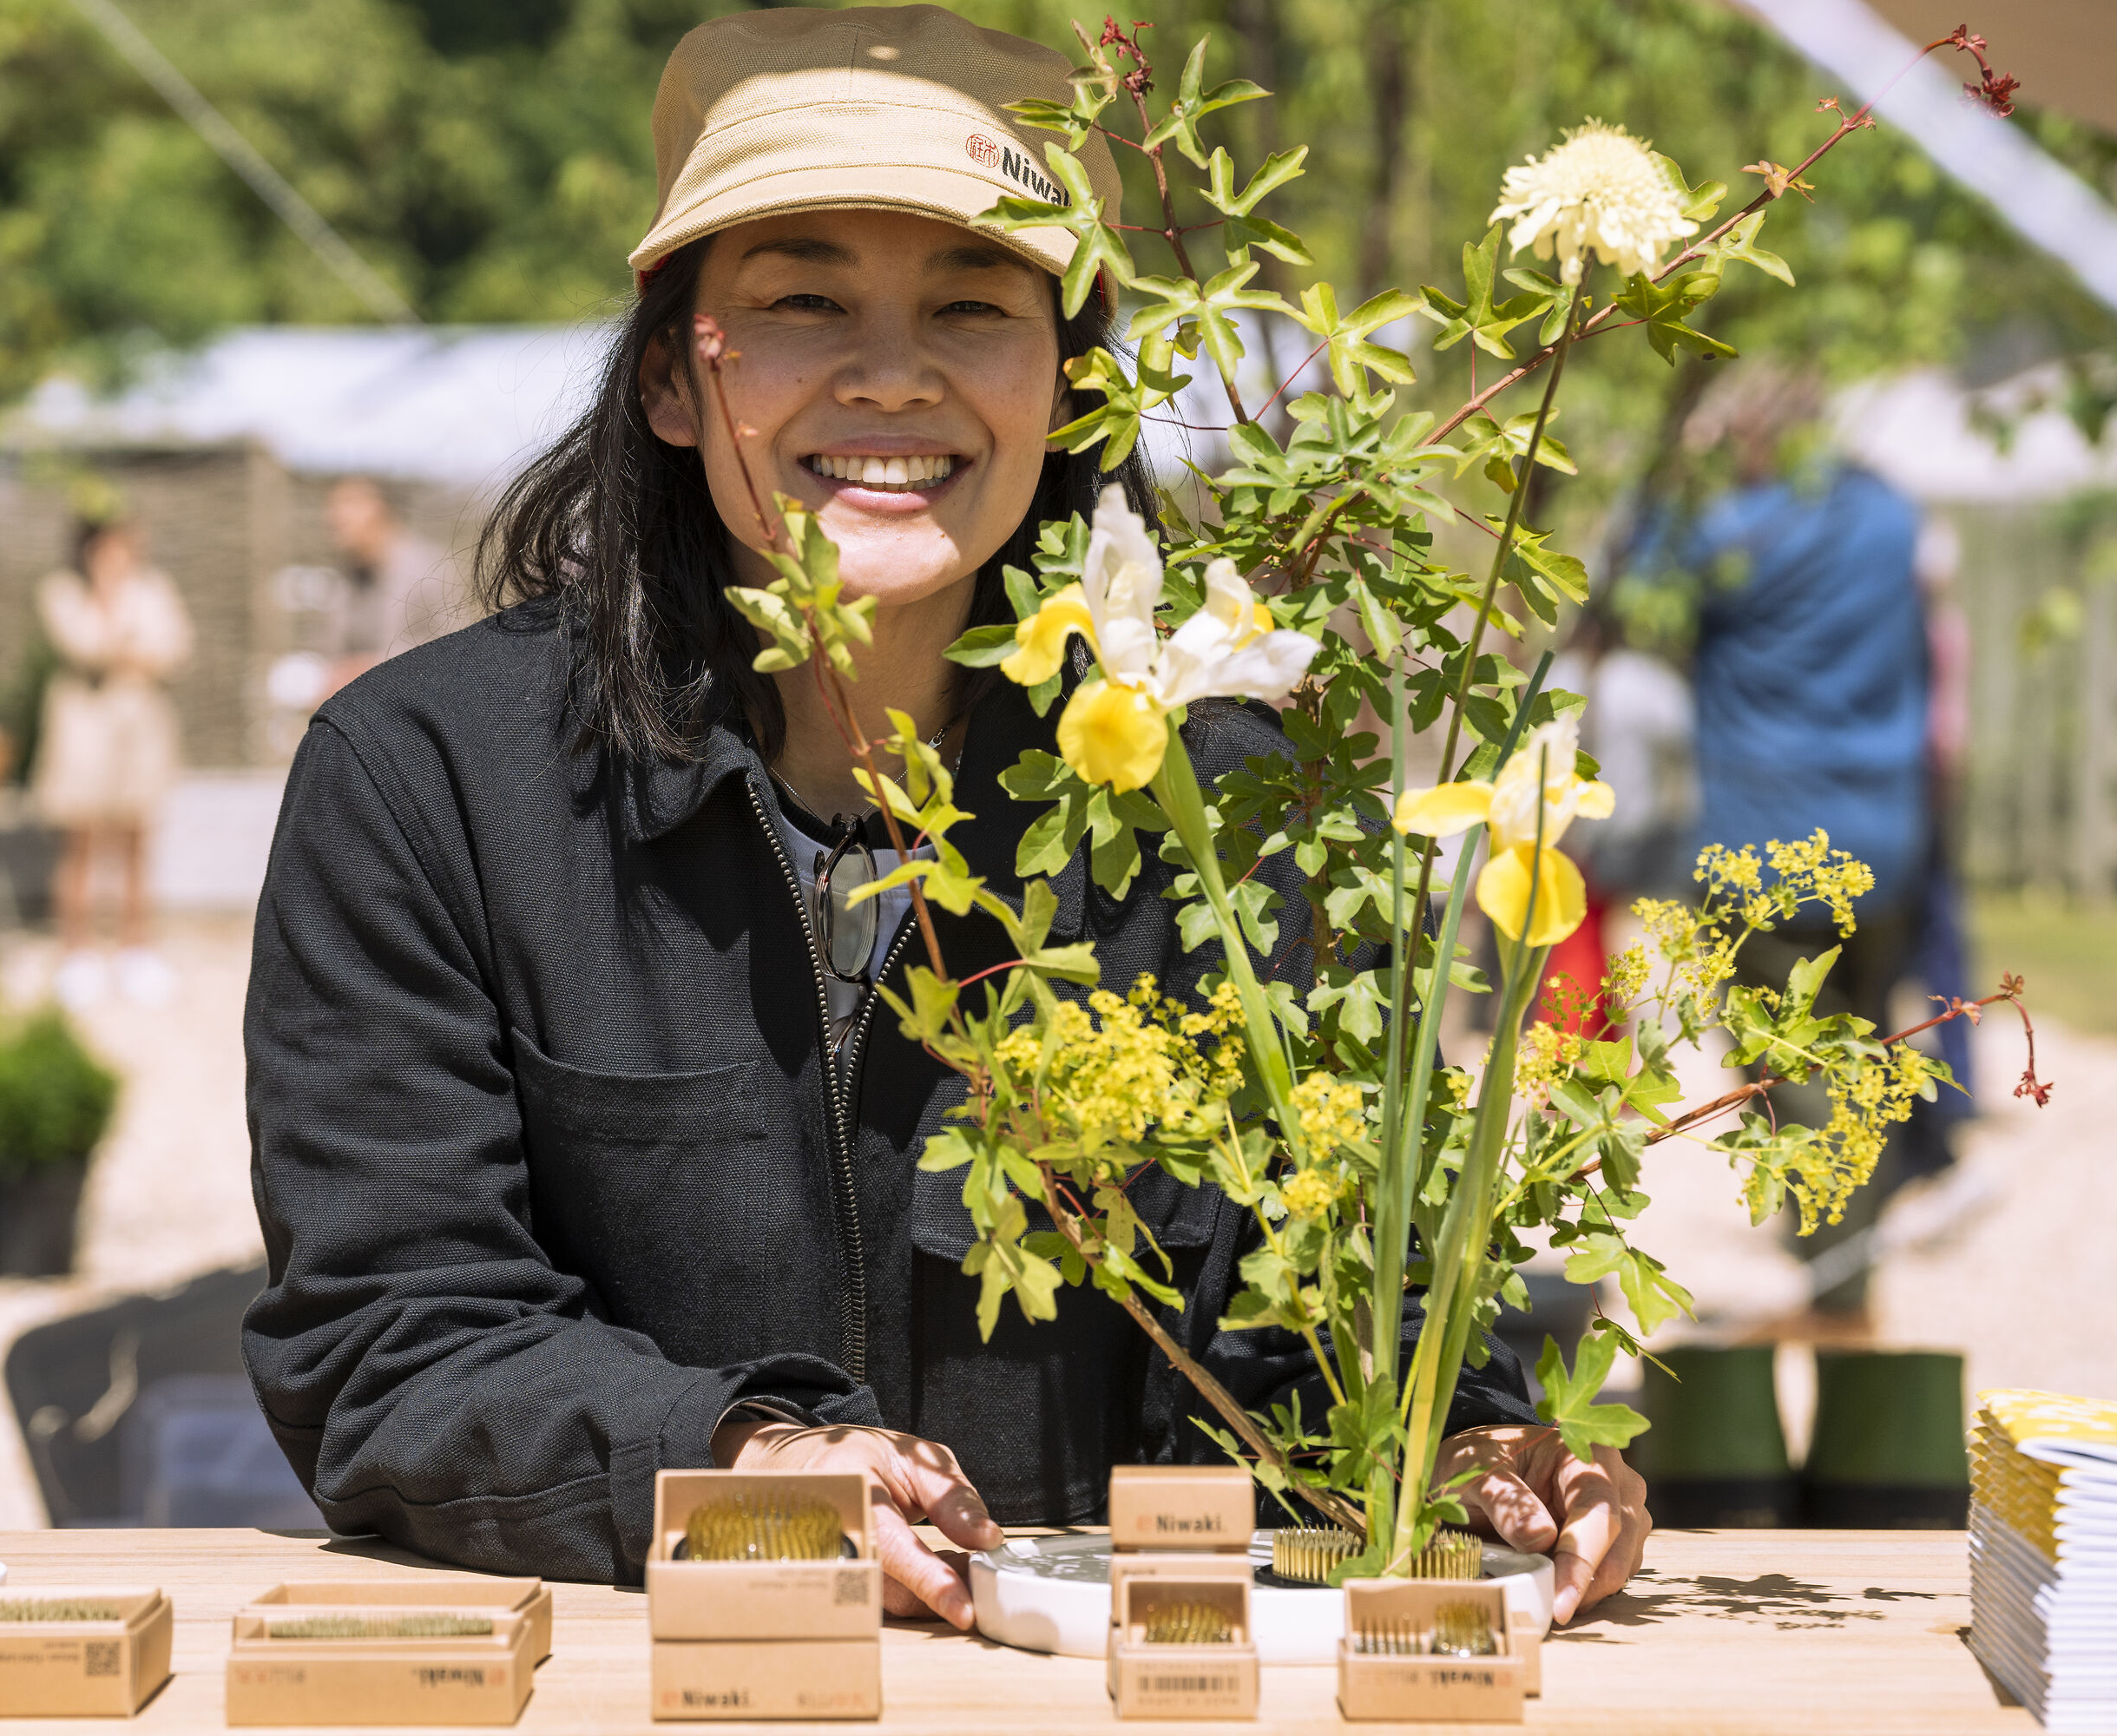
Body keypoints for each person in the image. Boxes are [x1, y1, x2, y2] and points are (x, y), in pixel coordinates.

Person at [241, 3, 1648, 1631]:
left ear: (1072, 388)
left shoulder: (1235, 799)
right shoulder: (427, 781)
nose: (894, 374)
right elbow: (389, 1340)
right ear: (674, 384)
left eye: (972, 306)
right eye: (803, 300)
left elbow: (1327, 1310)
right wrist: (742, 1465)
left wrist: (1467, 1436)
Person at [1680, 366, 1953, 1316]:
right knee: (1866, 1052)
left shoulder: (1730, 535)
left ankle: (1843, 1284)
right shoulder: (1889, 518)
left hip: (1767, 848)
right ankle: (1855, 1268)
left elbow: (1628, 591)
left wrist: (1686, 467)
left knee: (1792, 1070)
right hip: (1885, 840)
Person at [32, 516, 193, 1008]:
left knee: (137, 839)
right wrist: (122, 632)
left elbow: (175, 648)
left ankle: (135, 948)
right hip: (83, 729)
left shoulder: (154, 587)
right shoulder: (62, 590)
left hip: (140, 728)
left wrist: (128, 649)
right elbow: (84, 645)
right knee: (80, 840)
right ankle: (77, 951)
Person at [319, 477, 453, 698]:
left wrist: (372, 665)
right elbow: (333, 651)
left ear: (379, 510)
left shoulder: (430, 571)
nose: (333, 517)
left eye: (348, 504)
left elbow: (453, 653)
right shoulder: (347, 576)